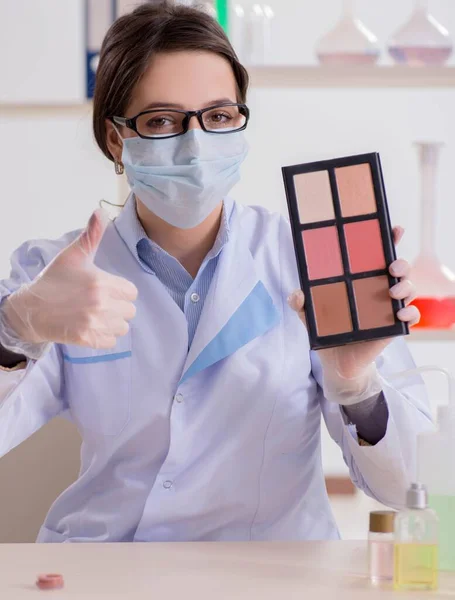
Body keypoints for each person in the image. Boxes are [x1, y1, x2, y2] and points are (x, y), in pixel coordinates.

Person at [0, 2, 430, 543]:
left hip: (273, 572)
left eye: (219, 116)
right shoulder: (61, 274)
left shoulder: (309, 259)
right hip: (108, 566)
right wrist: (13, 331)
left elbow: (411, 486)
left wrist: (357, 388)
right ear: (116, 139)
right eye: (161, 120)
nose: (196, 143)